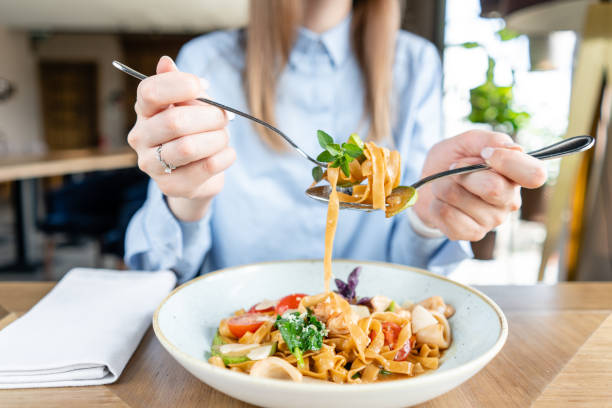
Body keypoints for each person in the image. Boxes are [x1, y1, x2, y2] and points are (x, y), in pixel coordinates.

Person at [124, 0, 546, 283]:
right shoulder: (207, 62)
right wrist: (186, 200)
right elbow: (160, 272)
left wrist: (429, 215)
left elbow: (407, 267)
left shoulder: (415, 65)